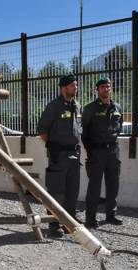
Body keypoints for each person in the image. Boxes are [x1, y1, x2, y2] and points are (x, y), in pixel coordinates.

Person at [37, 74, 82, 237]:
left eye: (76, 85)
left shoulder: (76, 106)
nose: (75, 88)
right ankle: (54, 224)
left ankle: (69, 222)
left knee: (72, 190)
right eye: (72, 85)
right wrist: (54, 147)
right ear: (64, 88)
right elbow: (42, 131)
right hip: (59, 155)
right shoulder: (54, 106)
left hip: (74, 154)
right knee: (56, 191)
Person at [81, 77, 123, 228]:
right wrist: (91, 151)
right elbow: (84, 133)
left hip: (113, 151)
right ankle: (90, 218)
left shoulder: (117, 107)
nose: (106, 89)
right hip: (97, 152)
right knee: (95, 186)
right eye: (103, 87)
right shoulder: (90, 108)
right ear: (97, 90)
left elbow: (119, 128)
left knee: (113, 184)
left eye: (108, 86)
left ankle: (111, 215)